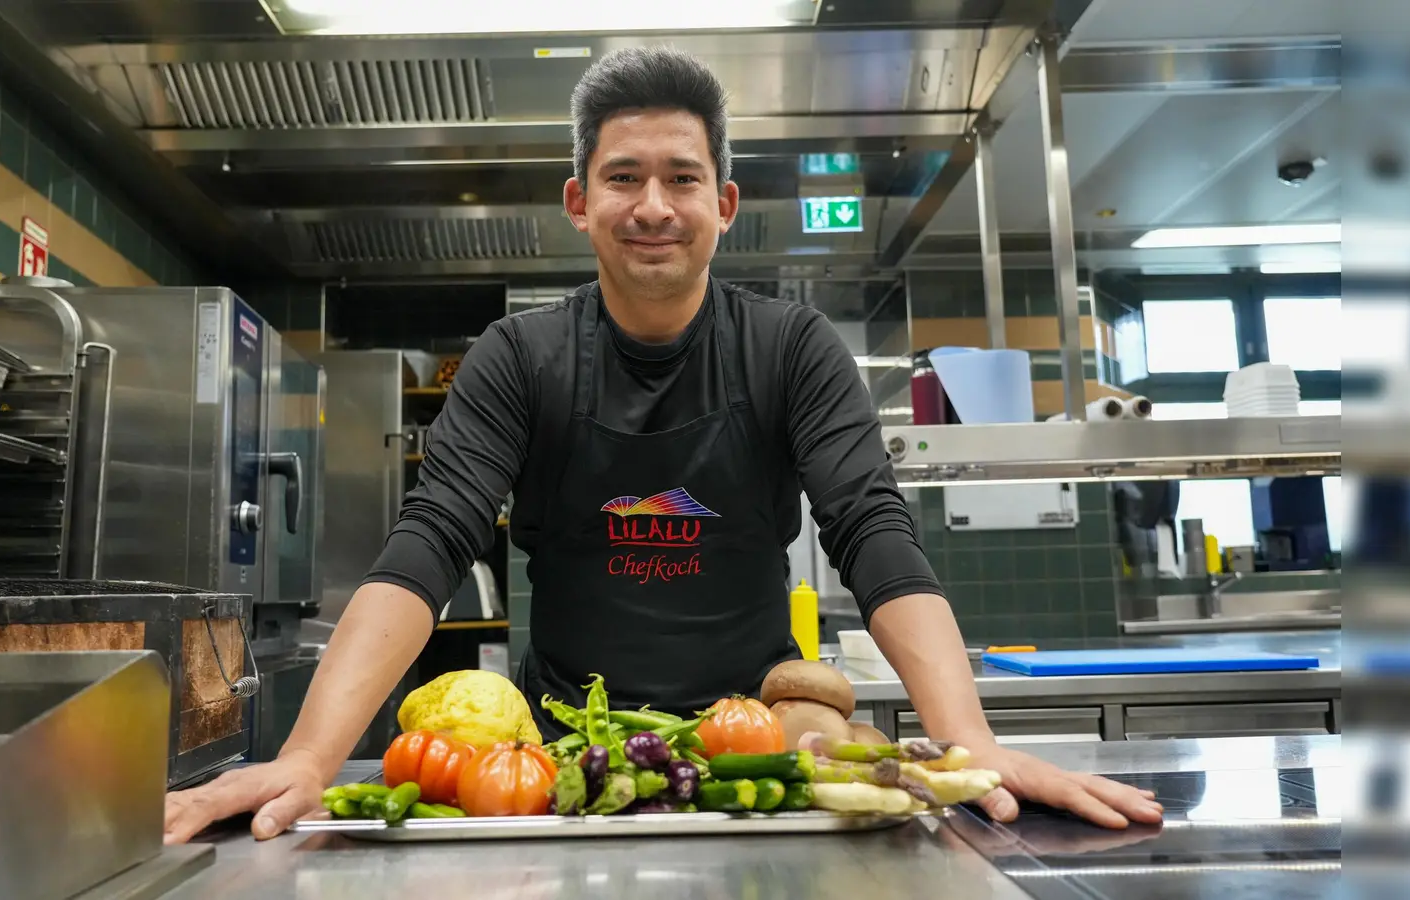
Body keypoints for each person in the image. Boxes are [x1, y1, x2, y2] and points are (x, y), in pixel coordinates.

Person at [163, 46, 1162, 844]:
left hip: (756, 755)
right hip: (558, 770)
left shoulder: (789, 348)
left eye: (682, 177)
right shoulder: (518, 358)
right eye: (622, 177)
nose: (651, 205)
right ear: (578, 201)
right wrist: (305, 757)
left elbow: (873, 530)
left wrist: (969, 744)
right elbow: (427, 542)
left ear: (722, 205)